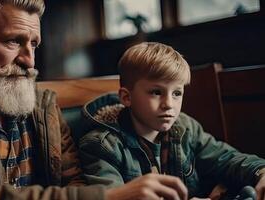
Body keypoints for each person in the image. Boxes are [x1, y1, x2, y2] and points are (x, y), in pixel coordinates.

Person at [0, 1, 188, 200]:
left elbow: (74, 184)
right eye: (13, 42)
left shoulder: (42, 106)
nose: (29, 61)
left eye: (33, 44)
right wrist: (110, 197)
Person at [78, 42, 265, 200]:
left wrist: (260, 172)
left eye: (177, 93)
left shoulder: (185, 127)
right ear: (127, 97)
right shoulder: (101, 146)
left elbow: (226, 158)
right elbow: (113, 196)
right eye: (156, 92)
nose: (168, 104)